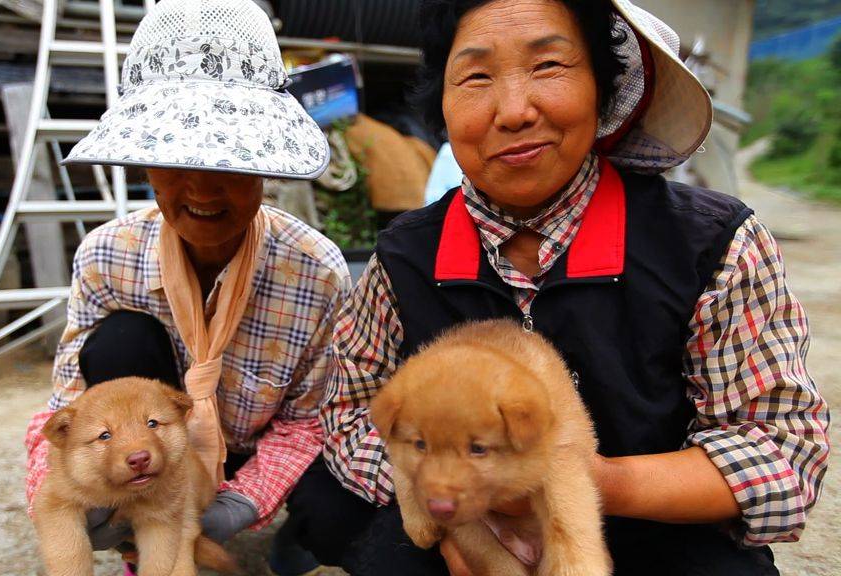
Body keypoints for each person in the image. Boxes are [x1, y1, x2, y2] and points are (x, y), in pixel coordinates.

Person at [315, 0, 831, 574]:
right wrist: (464, 510)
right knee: (344, 522)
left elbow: (779, 450)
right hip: (459, 513)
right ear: (442, 101)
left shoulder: (712, 245)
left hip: (659, 527)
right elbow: (349, 413)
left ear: (604, 91)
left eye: (549, 66)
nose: (513, 111)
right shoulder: (405, 256)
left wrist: (585, 483)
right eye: (476, 76)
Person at [22, 1, 349, 575]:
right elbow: (67, 408)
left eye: (230, 159)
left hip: (253, 436)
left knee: (336, 507)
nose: (201, 187)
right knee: (121, 339)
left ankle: (301, 531)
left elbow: (306, 421)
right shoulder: (108, 256)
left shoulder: (316, 271)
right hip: (146, 446)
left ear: (265, 164)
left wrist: (240, 503)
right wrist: (62, 492)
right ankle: (141, 536)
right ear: (145, 162)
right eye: (173, 158)